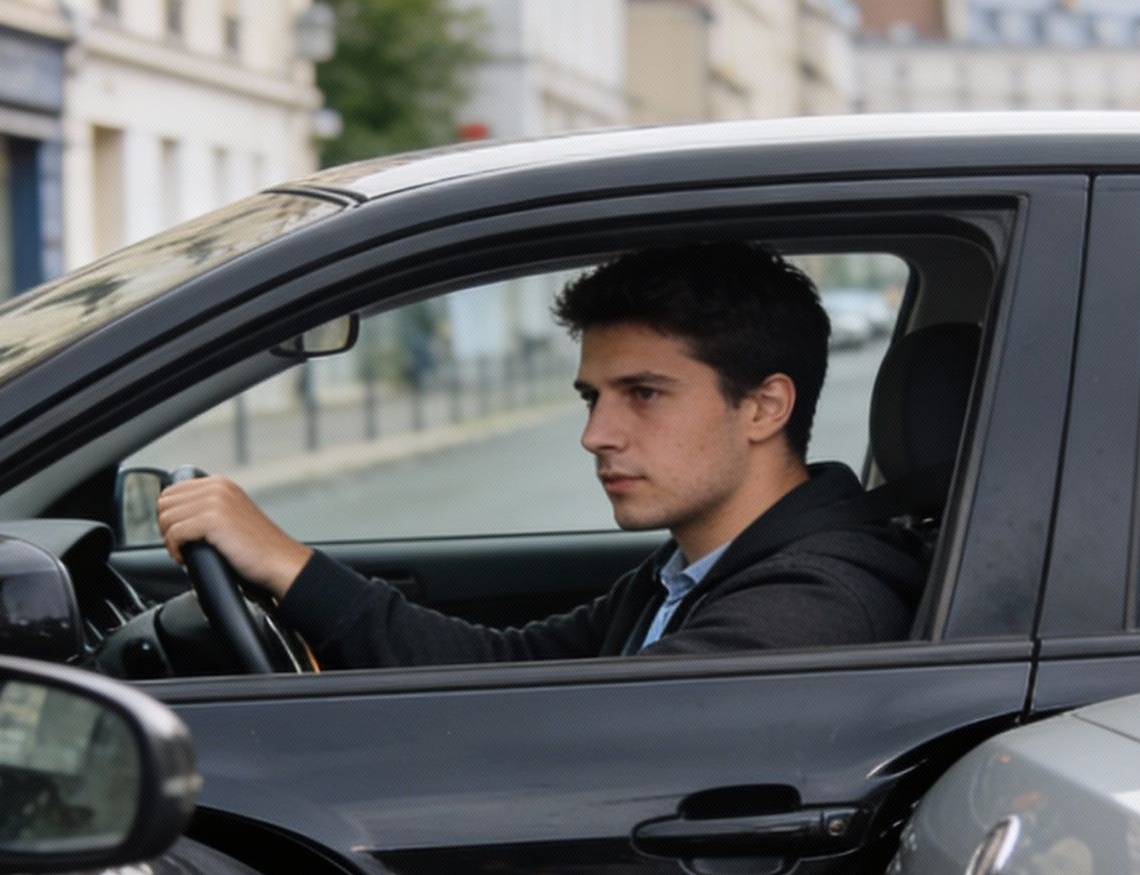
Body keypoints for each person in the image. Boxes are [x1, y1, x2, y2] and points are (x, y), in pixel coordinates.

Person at [155, 243, 928, 665]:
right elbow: (507, 665)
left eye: (645, 394)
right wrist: (290, 569)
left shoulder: (807, 606)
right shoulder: (692, 571)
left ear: (764, 406)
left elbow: (576, 741)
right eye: (593, 397)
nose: (597, 435)